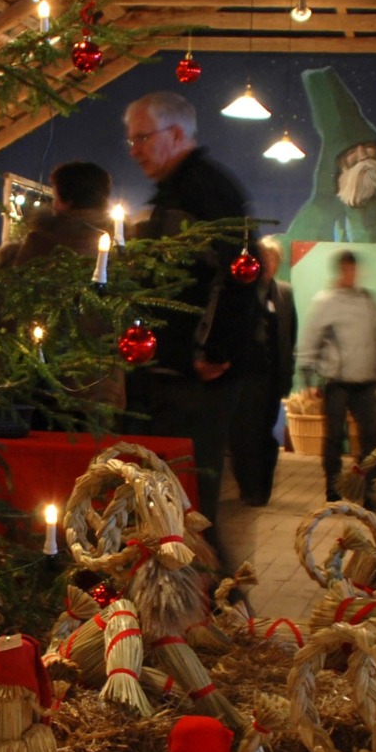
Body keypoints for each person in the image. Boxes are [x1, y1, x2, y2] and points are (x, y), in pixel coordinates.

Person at [122, 92, 261, 541]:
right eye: (131, 140)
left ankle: (216, 605)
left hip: (197, 377)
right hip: (174, 369)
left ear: (177, 134)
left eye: (143, 137)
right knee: (170, 505)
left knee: (187, 509)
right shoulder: (177, 191)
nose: (135, 148)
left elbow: (240, 272)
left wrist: (213, 348)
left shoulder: (205, 189)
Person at [0, 161, 120, 416]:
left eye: (55, 195)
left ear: (67, 199)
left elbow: (16, 306)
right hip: (103, 377)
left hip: (45, 375)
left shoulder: (42, 242)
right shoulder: (122, 247)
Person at [295, 249, 376, 494]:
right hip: (337, 381)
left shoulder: (368, 301)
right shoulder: (325, 302)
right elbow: (310, 338)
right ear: (340, 270)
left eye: (354, 270)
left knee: (370, 437)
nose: (352, 274)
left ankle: (369, 490)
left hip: (366, 381)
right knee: (334, 438)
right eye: (347, 269)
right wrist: (307, 374)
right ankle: (333, 487)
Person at [229, 237, 295, 507]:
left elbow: (291, 336)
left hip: (272, 377)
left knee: (266, 433)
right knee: (243, 433)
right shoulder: (243, 291)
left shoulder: (285, 293)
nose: (268, 263)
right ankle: (247, 486)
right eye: (263, 258)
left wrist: (287, 376)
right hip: (245, 376)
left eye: (272, 259)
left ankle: (262, 490)